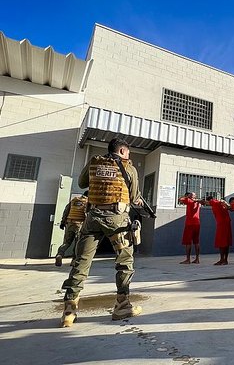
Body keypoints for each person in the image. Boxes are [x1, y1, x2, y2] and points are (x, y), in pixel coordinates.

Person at [60, 138, 143, 327]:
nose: (129, 156)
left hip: (93, 217)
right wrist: (137, 201)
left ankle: (69, 310)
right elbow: (134, 195)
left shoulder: (94, 161)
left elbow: (82, 183)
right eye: (128, 153)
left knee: (81, 261)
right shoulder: (128, 168)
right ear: (122, 151)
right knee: (124, 261)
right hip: (116, 219)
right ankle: (122, 305)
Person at [55, 191, 88, 267]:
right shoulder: (87, 201)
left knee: (66, 242)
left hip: (69, 223)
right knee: (77, 243)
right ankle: (74, 260)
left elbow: (66, 211)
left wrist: (63, 222)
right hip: (79, 224)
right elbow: (86, 213)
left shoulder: (74, 200)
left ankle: (59, 255)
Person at [203, 196, 232, 265]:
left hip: (222, 224)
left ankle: (222, 260)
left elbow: (205, 202)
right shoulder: (220, 203)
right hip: (226, 223)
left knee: (221, 242)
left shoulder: (214, 202)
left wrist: (197, 200)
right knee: (226, 242)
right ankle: (225, 260)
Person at [178, 192, 202, 264]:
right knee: (196, 242)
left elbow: (179, 199)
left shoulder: (189, 201)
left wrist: (186, 197)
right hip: (197, 223)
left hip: (189, 224)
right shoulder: (198, 203)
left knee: (188, 242)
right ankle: (197, 259)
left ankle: (188, 259)